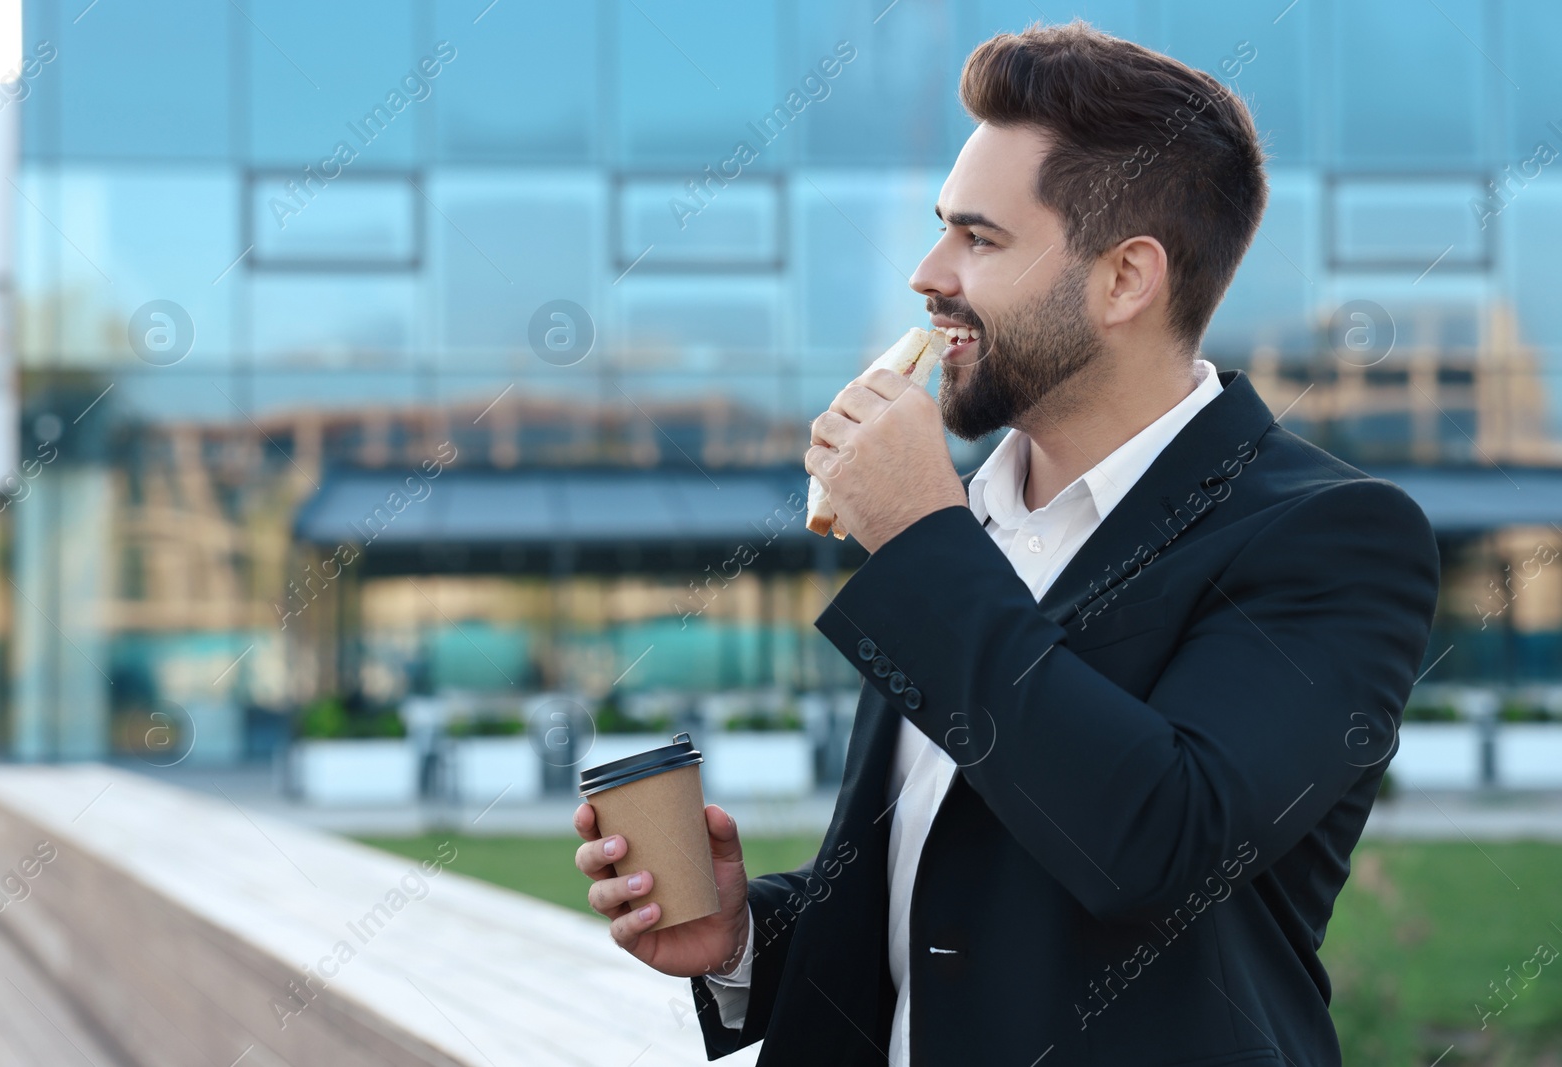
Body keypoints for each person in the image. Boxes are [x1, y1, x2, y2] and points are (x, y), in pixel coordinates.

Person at [575, 19, 1439, 1066]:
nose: (928, 273)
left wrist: (918, 534)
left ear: (1124, 280)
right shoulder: (968, 516)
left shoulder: (1330, 536)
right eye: (943, 228)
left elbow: (1152, 845)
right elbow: (952, 893)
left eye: (978, 239)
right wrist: (747, 932)